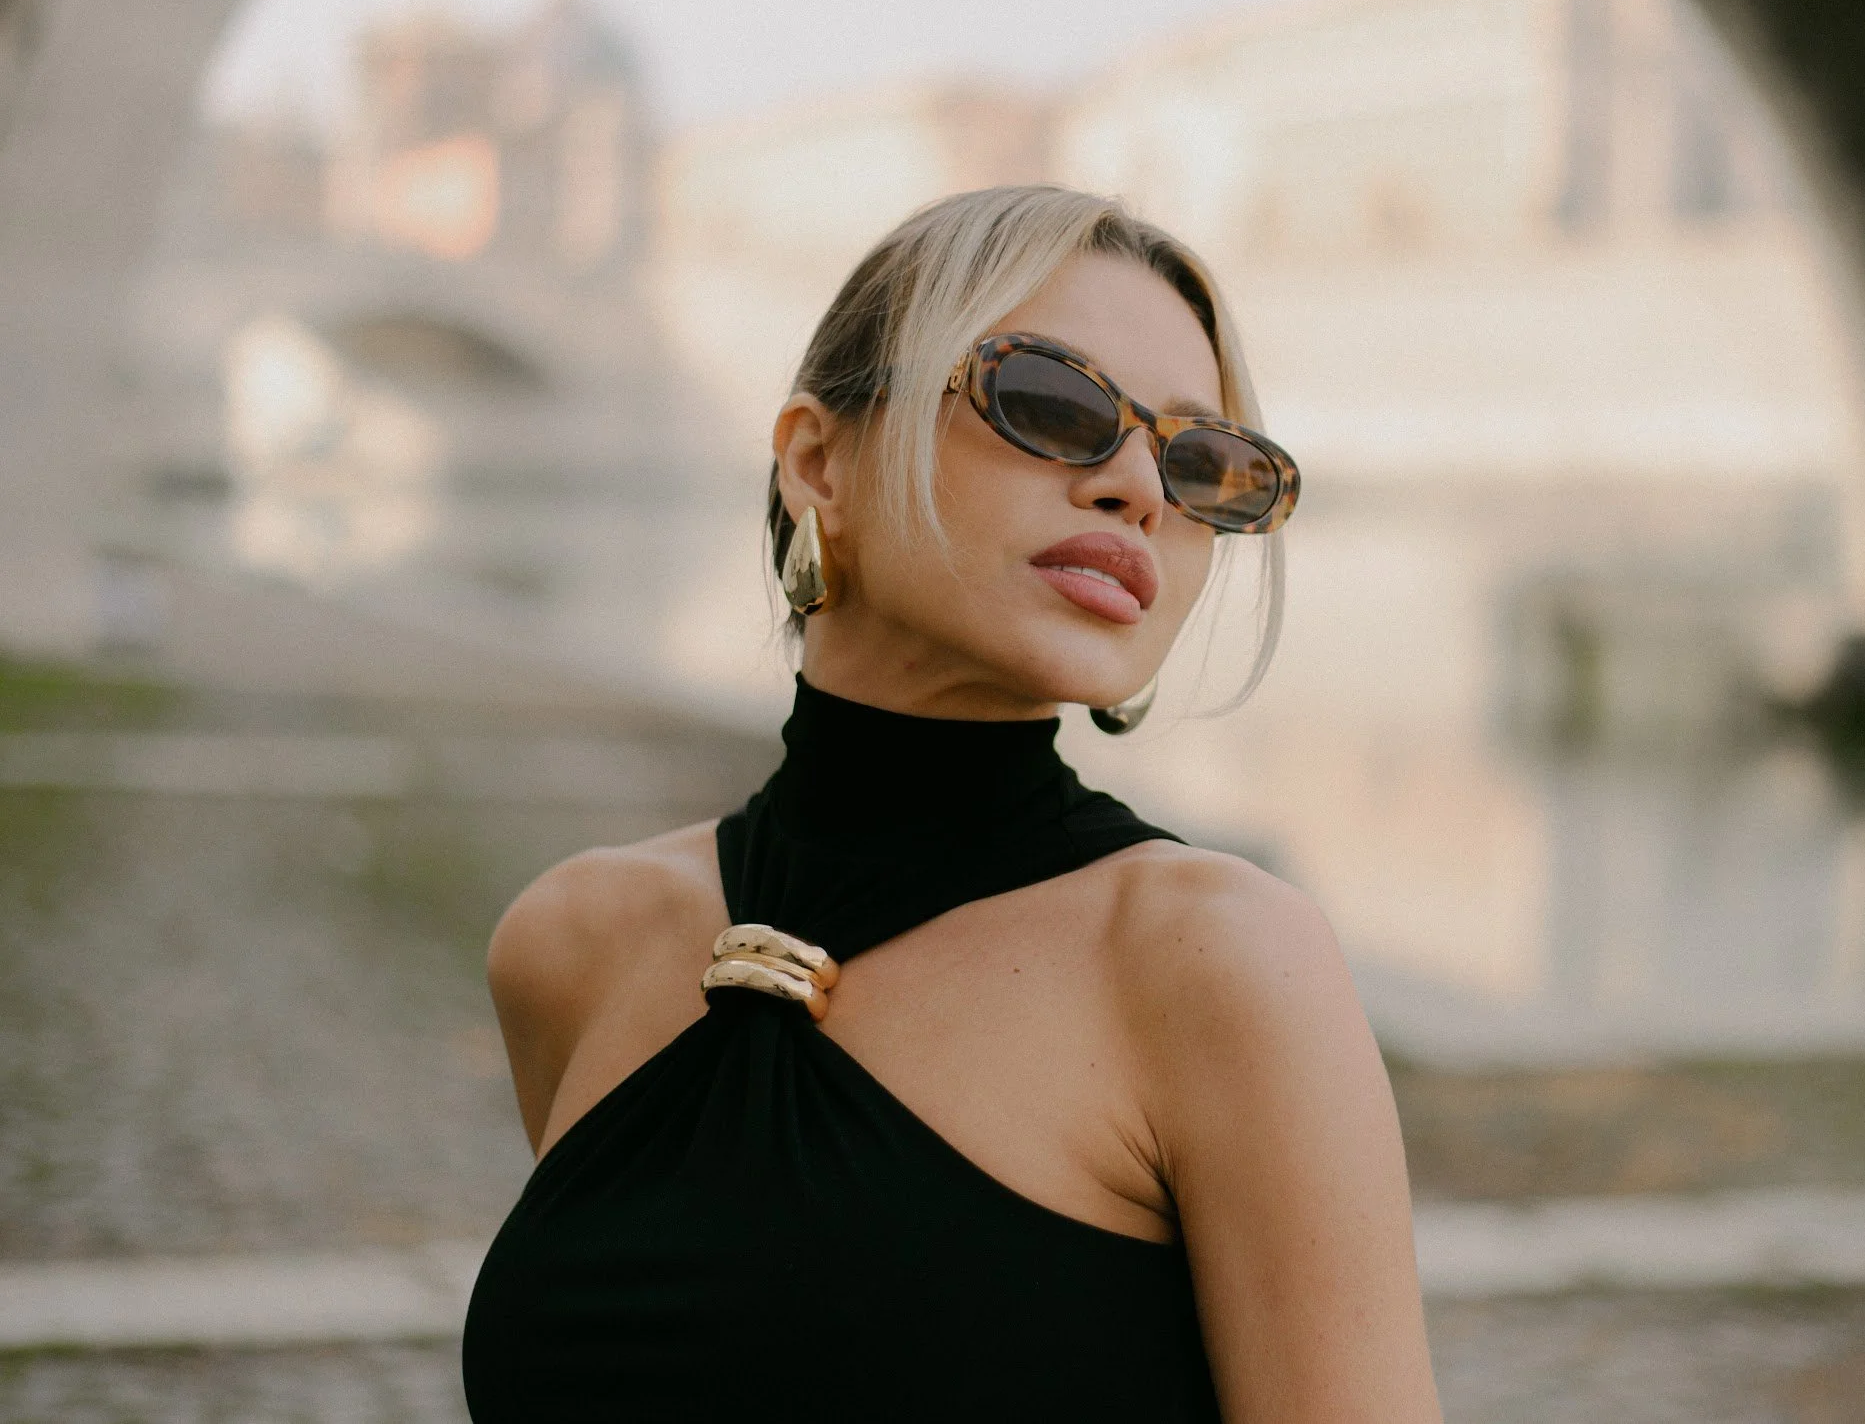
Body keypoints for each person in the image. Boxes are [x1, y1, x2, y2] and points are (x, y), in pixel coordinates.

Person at [461, 186, 1442, 1421]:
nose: (1139, 483)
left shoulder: (1216, 961)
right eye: (1053, 403)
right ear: (821, 461)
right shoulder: (573, 942)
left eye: (1204, 464)